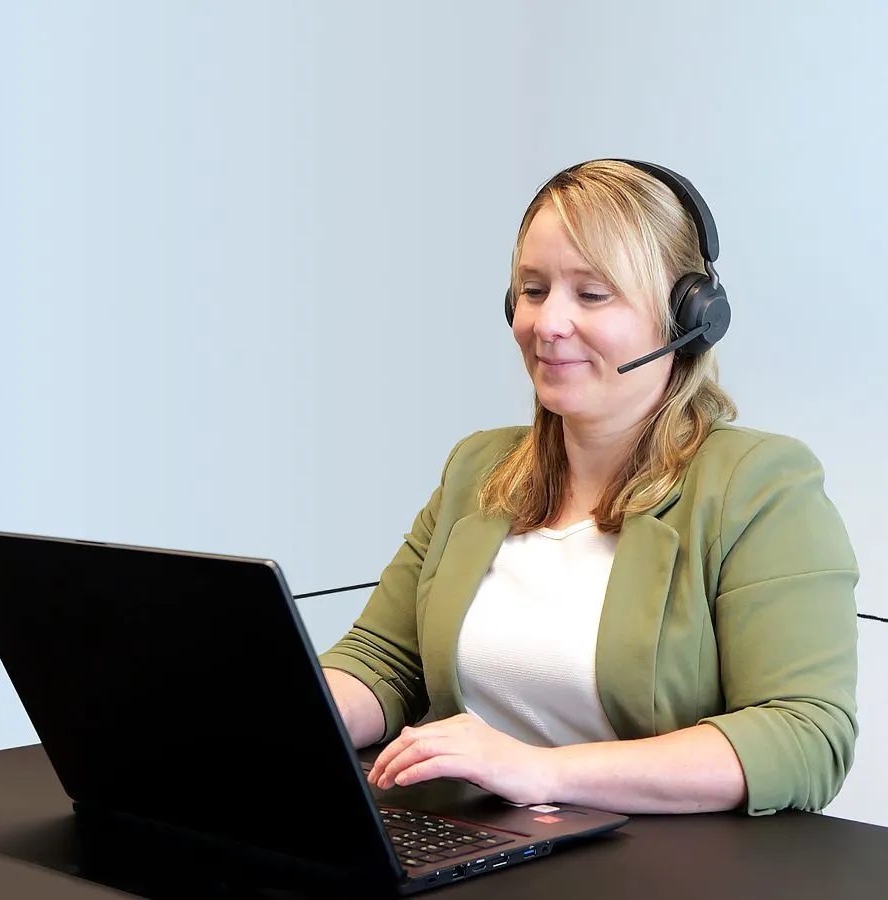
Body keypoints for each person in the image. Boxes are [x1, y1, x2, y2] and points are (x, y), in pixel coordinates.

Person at [318, 159, 858, 817]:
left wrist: (541, 772)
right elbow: (384, 662)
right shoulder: (478, 470)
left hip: (656, 866)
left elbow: (804, 735)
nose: (547, 325)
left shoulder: (759, 486)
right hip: (480, 846)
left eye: (592, 294)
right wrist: (270, 714)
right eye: (533, 290)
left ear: (689, 315)